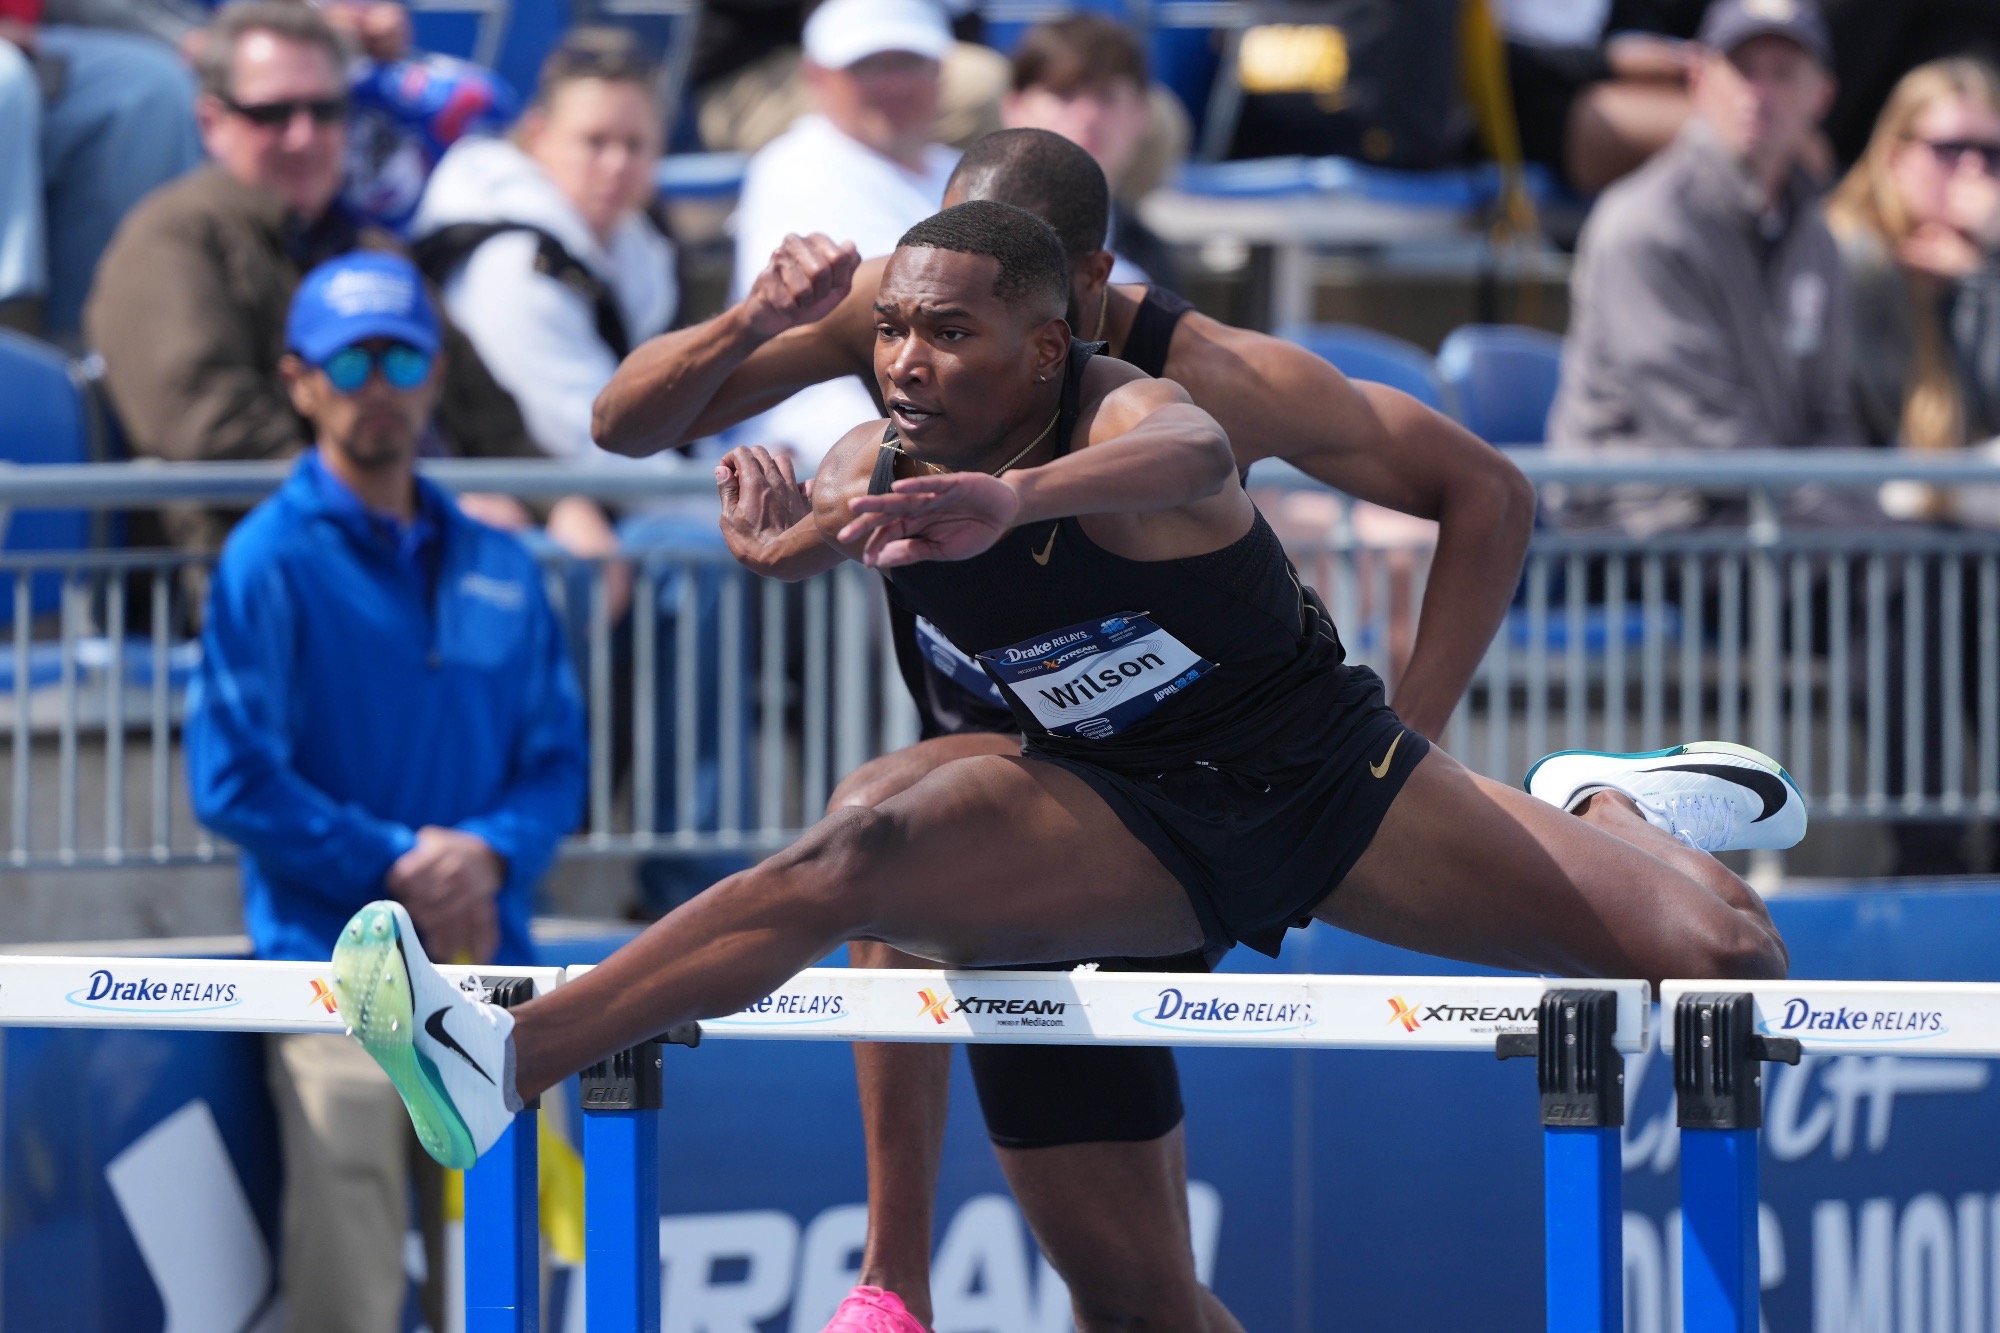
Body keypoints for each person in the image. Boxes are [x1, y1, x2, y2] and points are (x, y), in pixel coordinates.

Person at [346, 202, 1796, 1333]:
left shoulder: (1139, 403)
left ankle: (1598, 809)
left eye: (947, 333)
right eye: (892, 328)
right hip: (1117, 823)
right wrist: (772, 481)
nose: (905, 358)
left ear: (1052, 338)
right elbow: (638, 429)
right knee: (870, 845)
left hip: (1321, 787)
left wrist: (1014, 499)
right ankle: (514, 1065)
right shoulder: (884, 428)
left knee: (1726, 952)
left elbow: (1199, 451)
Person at [594, 127, 1535, 1329]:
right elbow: (623, 425)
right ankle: (893, 1287)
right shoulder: (903, 302)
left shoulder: (1209, 380)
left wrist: (1405, 755)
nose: (919, 347)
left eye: (977, 311)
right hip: (1025, 817)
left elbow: (1488, 491)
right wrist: (745, 325)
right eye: (916, 301)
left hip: (1192, 798)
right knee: (1137, 1303)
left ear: (1080, 293)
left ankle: (891, 1281)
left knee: (878, 826)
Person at [186, 251, 586, 1333]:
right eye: (348, 358)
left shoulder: (499, 556)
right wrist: (398, 861)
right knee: (348, 1302)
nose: (377, 381)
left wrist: (486, 853)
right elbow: (231, 777)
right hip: (328, 991)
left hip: (491, 982)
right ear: (299, 379)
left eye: (400, 354)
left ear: (435, 370)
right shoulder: (265, 559)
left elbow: (557, 766)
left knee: (502, 1295)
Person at [82, 0, 580, 595]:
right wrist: (423, 507)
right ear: (212, 121)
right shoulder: (170, 239)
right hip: (281, 584)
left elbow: (488, 415)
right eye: (272, 114)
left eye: (326, 110)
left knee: (661, 554)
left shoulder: (371, 247)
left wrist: (569, 508)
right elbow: (213, 433)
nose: (304, 136)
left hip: (433, 553)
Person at [1547, 0, 1865, 537]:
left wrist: (1852, 507)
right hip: (1641, 527)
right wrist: (1833, 511)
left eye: (1783, 74)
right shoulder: (1646, 224)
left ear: (1822, 95)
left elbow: (1832, 416)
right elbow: (1701, 431)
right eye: (1742, 70)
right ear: (1698, 78)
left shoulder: (1816, 236)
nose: (1758, 94)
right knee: (1912, 582)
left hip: (1765, 517)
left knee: (1958, 564)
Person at [1826, 57, 2000, 874]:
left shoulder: (1963, 274)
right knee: (1925, 570)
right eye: (1952, 149)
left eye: (1993, 157)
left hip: (1933, 538)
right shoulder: (1853, 257)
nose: (1974, 175)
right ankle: (1932, 854)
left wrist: (1984, 280)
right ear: (1894, 154)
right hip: (1845, 537)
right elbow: (1882, 454)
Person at [729, 0, 961, 468]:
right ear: (817, 76)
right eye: (869, 66)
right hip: (824, 433)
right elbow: (813, 354)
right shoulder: (791, 168)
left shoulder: (959, 167)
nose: (894, 83)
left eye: (910, 62)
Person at [0, 0, 201, 339]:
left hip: (29, 36)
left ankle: (89, 350)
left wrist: (191, 39)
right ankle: (11, 337)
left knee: (152, 87)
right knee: (6, 80)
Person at [1002, 14, 1180, 287]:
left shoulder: (1153, 261)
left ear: (1142, 114)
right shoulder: (962, 248)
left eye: (1107, 96)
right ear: (1014, 106)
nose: (1088, 116)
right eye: (1063, 94)